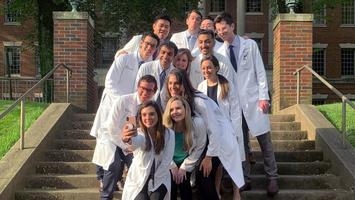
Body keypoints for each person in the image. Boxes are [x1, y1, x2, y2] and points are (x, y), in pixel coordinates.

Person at [215, 12, 279, 196]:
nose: (222, 32)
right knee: (241, 144)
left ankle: (272, 177)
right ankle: (245, 179)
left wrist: (264, 97)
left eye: (224, 28)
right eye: (218, 30)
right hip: (234, 106)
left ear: (233, 26)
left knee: (265, 142)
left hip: (254, 101)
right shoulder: (219, 52)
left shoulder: (249, 45)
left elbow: (260, 70)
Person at [163, 69, 244, 200]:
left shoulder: (198, 100)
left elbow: (214, 129)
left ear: (184, 84)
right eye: (170, 83)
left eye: (177, 83)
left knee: (203, 175)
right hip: (208, 142)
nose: (173, 87)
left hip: (220, 141)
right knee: (200, 179)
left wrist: (208, 157)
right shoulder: (177, 101)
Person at [92, 75, 158, 200]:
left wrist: (130, 145)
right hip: (112, 139)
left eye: (149, 90)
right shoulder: (123, 101)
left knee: (137, 164)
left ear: (154, 92)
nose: (145, 92)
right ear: (137, 87)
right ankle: (106, 196)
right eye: (142, 88)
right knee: (113, 164)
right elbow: (111, 127)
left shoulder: (152, 107)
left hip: (133, 143)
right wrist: (125, 145)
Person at [197, 56, 244, 200]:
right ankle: (216, 189)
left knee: (234, 159)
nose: (206, 71)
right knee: (216, 160)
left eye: (209, 67)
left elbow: (235, 110)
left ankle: (237, 192)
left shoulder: (227, 85)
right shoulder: (201, 87)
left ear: (216, 68)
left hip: (227, 127)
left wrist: (235, 132)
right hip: (209, 128)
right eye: (204, 68)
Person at [121, 101, 175, 200]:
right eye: (144, 115)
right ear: (140, 117)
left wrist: (154, 183)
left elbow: (167, 161)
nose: (148, 118)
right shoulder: (139, 133)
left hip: (161, 176)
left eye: (151, 114)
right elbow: (135, 143)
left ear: (158, 114)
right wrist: (128, 139)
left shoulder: (169, 134)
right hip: (139, 178)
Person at [162, 96, 206, 200]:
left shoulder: (197, 123)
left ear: (185, 109)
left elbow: (200, 147)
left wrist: (184, 167)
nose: (175, 112)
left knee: (184, 183)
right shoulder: (164, 127)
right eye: (171, 109)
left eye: (178, 108)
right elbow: (161, 150)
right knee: (171, 185)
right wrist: (172, 166)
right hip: (169, 161)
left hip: (187, 160)